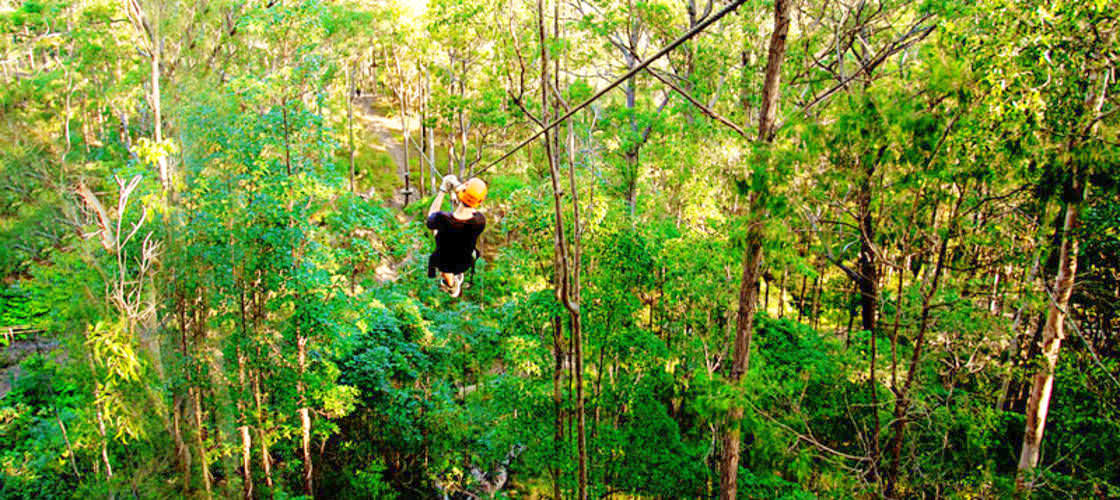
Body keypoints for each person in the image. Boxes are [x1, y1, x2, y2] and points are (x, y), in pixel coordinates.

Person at [427, 175, 487, 297]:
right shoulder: (480, 221)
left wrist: (443, 190)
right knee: (449, 237)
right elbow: (468, 207)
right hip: (465, 260)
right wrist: (458, 188)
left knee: (437, 234)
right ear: (480, 201)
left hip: (445, 262)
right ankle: (455, 278)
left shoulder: (442, 219)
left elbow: (430, 218)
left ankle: (452, 285)